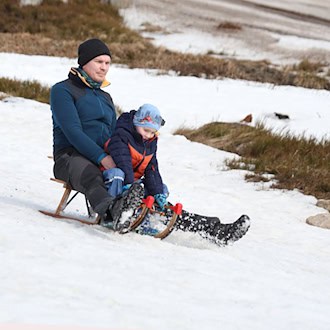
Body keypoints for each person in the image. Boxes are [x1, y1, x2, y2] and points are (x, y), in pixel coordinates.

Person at [50, 38, 122, 222]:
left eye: (107, 63)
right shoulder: (63, 90)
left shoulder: (106, 97)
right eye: (99, 62)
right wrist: (102, 157)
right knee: (93, 176)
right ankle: (112, 211)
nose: (104, 68)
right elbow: (72, 131)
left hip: (105, 158)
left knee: (136, 176)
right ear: (84, 63)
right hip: (70, 157)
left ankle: (175, 217)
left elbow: (114, 133)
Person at [101, 103, 168, 230]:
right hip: (112, 178)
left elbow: (152, 169)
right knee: (117, 174)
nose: (148, 135)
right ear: (136, 123)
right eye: (146, 130)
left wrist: (157, 192)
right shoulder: (122, 134)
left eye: (152, 132)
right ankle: (110, 214)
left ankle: (144, 220)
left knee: (161, 188)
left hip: (132, 183)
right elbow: (123, 161)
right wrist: (130, 184)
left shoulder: (150, 143)